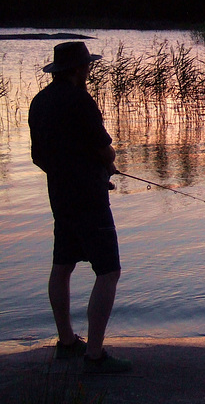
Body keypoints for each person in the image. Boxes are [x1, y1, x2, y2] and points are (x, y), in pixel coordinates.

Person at [28, 41, 131, 373]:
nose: (89, 71)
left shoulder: (39, 102)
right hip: (89, 199)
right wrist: (104, 167)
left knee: (63, 265)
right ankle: (95, 355)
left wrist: (69, 173)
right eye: (87, 66)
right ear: (76, 69)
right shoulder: (80, 101)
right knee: (108, 271)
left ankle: (67, 342)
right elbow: (106, 150)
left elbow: (38, 156)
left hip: (59, 196)